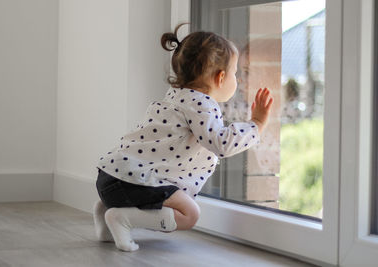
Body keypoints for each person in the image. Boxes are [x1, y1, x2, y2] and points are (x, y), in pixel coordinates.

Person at [93, 22, 274, 252]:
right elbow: (221, 143)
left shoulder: (176, 96)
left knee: (165, 199)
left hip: (109, 178)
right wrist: (256, 124)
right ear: (220, 78)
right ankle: (122, 218)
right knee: (189, 214)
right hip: (131, 183)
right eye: (236, 73)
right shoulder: (201, 105)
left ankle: (105, 209)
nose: (237, 80)